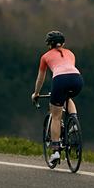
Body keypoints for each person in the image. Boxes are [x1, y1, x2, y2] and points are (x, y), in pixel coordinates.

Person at [31, 30, 83, 164]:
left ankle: (55, 151)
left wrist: (36, 93)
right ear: (63, 43)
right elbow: (69, 70)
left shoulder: (45, 57)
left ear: (49, 45)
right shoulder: (71, 53)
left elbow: (40, 78)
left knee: (55, 116)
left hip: (60, 80)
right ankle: (74, 122)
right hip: (77, 79)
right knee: (68, 97)